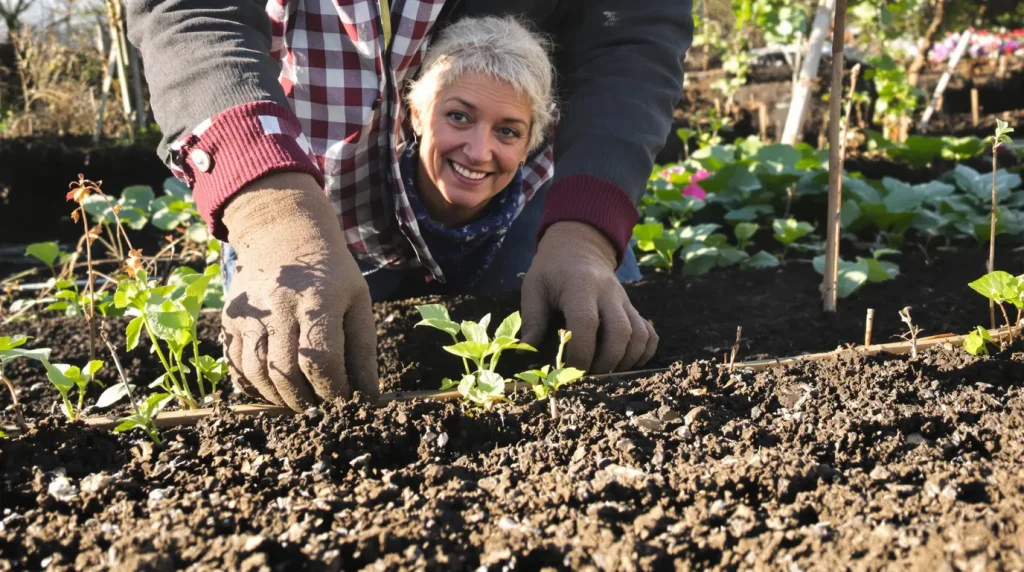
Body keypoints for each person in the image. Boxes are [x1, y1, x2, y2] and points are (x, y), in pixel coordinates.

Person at [126, 1, 693, 412]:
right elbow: (193, 13)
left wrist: (584, 234)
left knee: (582, 353)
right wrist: (271, 216)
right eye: (460, 118)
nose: (477, 145)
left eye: (503, 128)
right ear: (419, 114)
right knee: (295, 372)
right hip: (306, 191)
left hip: (524, 206)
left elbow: (633, 31)